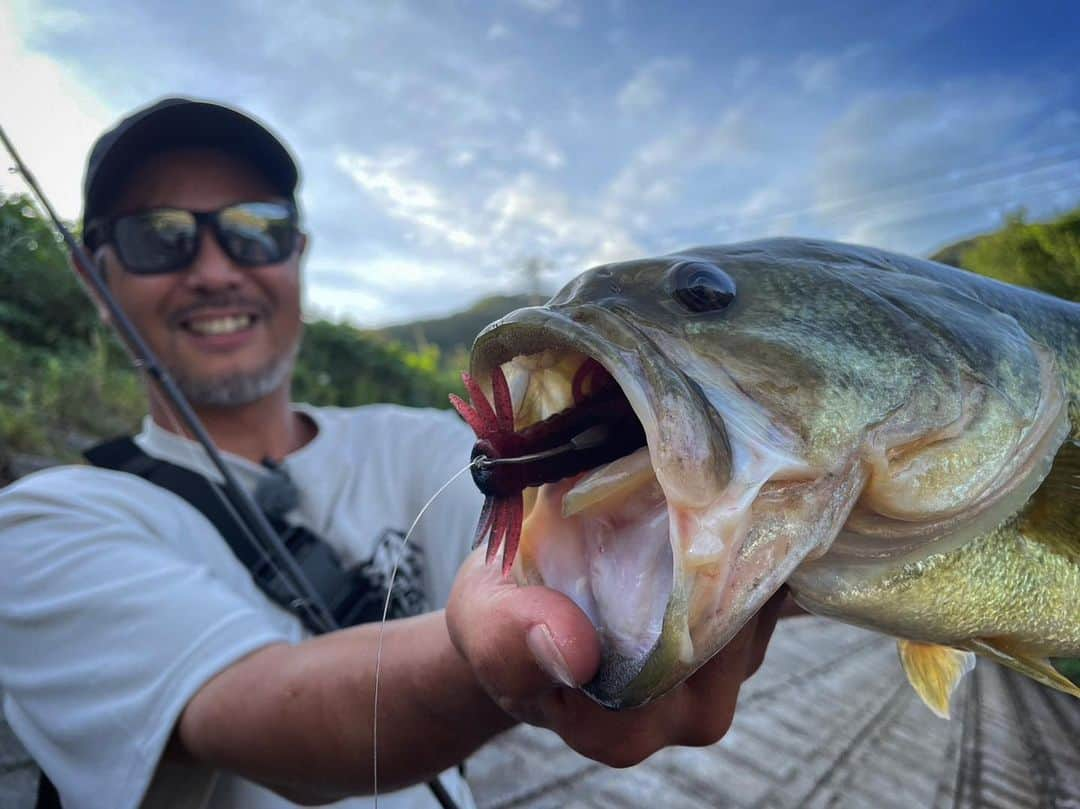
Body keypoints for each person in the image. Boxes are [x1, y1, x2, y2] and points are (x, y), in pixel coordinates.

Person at [0, 97, 785, 809]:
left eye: (256, 228)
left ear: (296, 252)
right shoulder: (43, 525)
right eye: (158, 237)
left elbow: (600, 509)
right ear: (92, 277)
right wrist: (485, 655)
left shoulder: (416, 443)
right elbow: (258, 706)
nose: (214, 269)